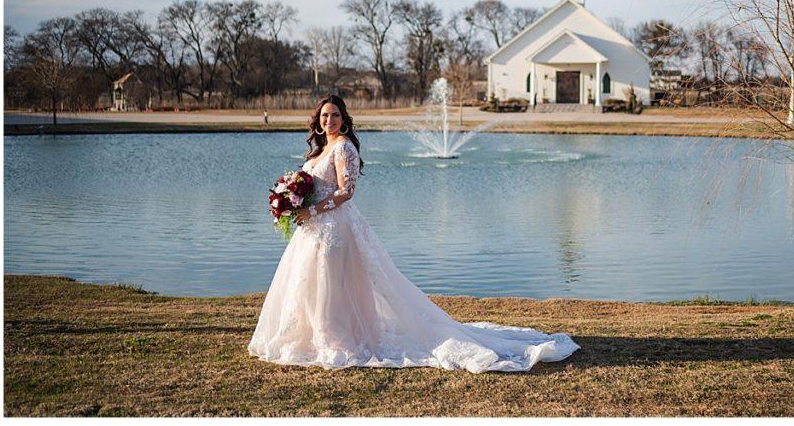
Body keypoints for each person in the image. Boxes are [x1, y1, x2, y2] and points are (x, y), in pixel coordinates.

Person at [248, 94, 579, 373]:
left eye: (334, 115)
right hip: (314, 228)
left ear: (344, 119)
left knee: (333, 283)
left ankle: (336, 337)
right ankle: (313, 333)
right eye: (324, 115)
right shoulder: (320, 148)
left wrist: (313, 210)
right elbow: (315, 185)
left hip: (336, 227)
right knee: (314, 283)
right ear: (317, 120)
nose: (329, 120)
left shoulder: (343, 147)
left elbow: (347, 192)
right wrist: (293, 201)